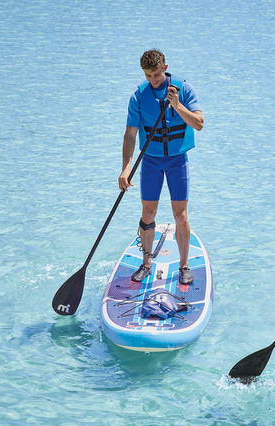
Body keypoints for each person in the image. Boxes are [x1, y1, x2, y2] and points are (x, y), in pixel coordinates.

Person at [119, 49, 204, 285]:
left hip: (177, 160)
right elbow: (130, 135)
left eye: (156, 74)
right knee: (148, 214)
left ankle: (184, 265)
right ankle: (146, 264)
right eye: (148, 76)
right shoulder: (138, 97)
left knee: (180, 214)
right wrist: (126, 168)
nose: (153, 80)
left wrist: (177, 105)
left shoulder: (184, 89)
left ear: (165, 67)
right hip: (151, 161)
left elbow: (199, 124)